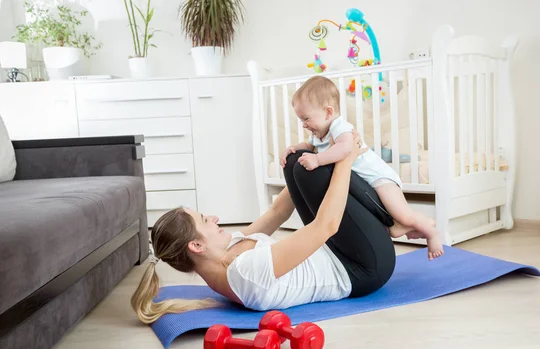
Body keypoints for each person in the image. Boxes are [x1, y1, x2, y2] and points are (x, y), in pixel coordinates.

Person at [131, 132, 400, 324]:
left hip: (338, 251)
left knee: (300, 163)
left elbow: (278, 211)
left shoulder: (226, 251)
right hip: (363, 269)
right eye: (204, 220)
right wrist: (345, 158)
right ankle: (400, 216)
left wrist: (294, 159)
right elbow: (325, 227)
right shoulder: (245, 272)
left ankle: (395, 211)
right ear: (197, 246)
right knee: (319, 168)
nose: (213, 218)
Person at [280, 75, 443, 260]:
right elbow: (309, 145)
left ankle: (431, 232)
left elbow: (345, 149)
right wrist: (293, 148)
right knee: (394, 229)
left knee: (404, 216)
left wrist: (317, 160)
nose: (304, 124)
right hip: (365, 185)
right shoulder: (320, 134)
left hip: (380, 178)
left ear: (328, 112)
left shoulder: (339, 127)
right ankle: (410, 228)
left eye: (306, 118)